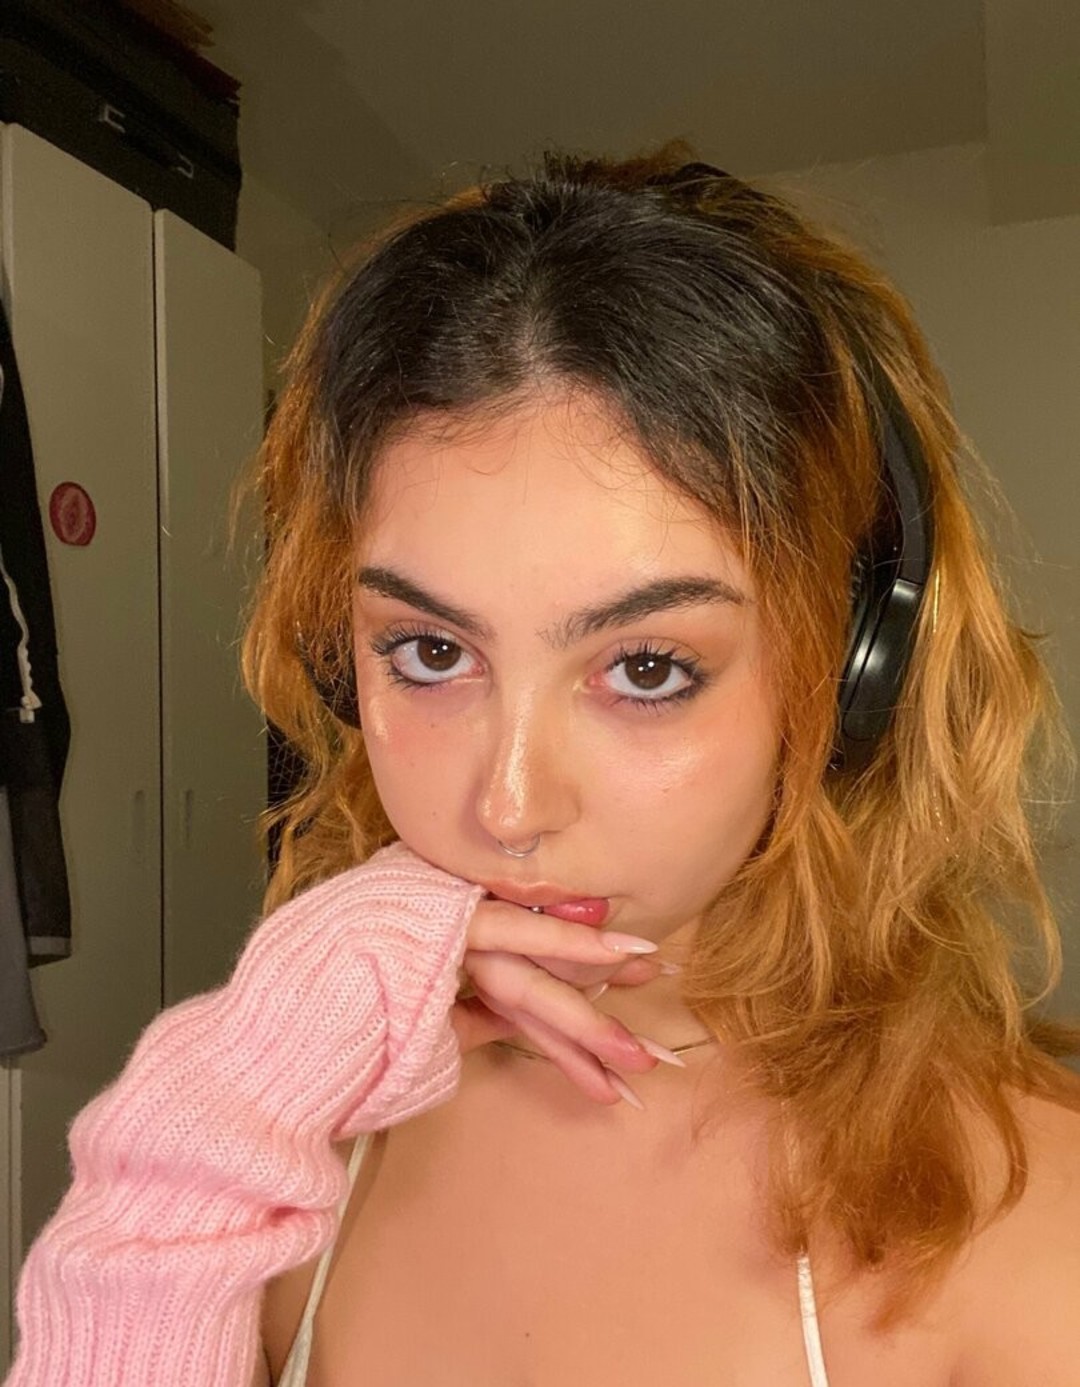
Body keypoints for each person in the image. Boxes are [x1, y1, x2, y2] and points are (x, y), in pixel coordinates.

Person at [6, 146, 1080, 1387]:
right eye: (429, 651)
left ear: (851, 673)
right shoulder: (283, 1138)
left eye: (647, 668)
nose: (508, 805)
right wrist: (215, 1105)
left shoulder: (1021, 1221)